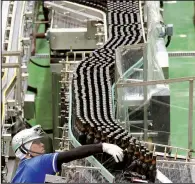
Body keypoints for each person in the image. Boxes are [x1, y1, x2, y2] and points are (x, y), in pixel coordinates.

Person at [11, 125, 124, 183]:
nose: (42, 145)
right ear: (25, 150)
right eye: (36, 142)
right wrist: (103, 147)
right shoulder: (38, 163)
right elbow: (71, 154)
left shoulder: (23, 167)